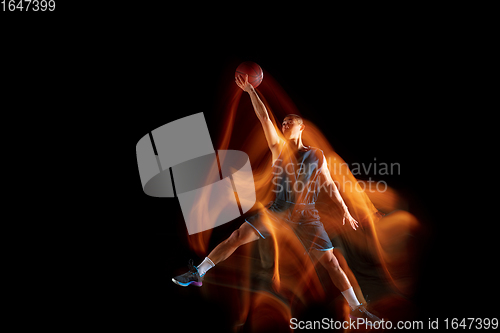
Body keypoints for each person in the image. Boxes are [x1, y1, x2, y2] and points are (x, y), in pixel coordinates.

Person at [172, 74, 381, 322]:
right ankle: (199, 272)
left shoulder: (317, 155)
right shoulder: (278, 147)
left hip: (307, 215)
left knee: (332, 264)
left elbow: (330, 185)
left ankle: (356, 307)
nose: (284, 124)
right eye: (283, 122)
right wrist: (251, 91)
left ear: (301, 127)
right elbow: (264, 117)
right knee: (237, 236)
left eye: (290, 121)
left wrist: (345, 210)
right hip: (279, 210)